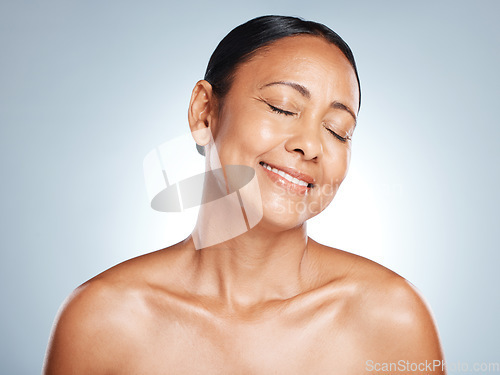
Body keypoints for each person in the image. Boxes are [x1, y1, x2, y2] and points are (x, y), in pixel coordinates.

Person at [43, 15, 445, 374]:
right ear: (204, 112)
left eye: (338, 129)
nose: (311, 145)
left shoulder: (390, 319)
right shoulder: (102, 320)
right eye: (282, 107)